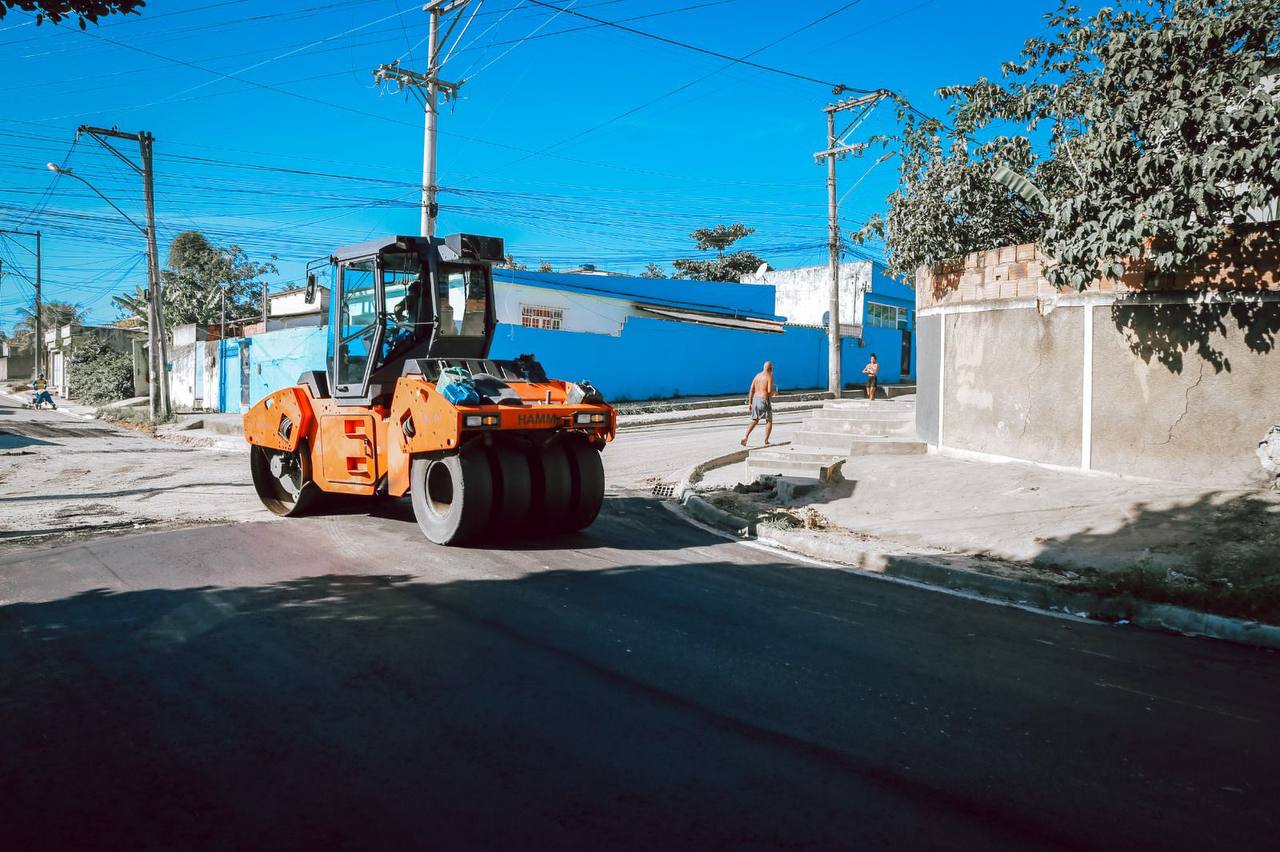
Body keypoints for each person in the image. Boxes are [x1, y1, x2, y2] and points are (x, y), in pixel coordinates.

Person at [741, 361, 776, 447]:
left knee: (755, 420)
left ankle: (745, 436)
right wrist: (774, 393)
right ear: (770, 368)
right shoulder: (769, 376)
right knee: (769, 420)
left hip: (755, 400)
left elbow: (751, 390)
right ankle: (766, 441)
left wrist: (750, 403)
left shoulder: (757, 376)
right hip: (764, 400)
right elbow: (769, 392)